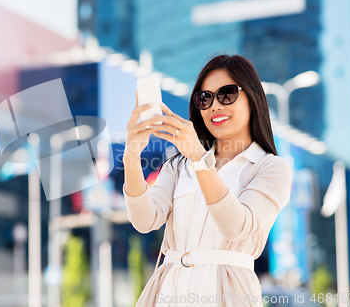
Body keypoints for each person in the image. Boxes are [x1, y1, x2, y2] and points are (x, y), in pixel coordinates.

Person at [122, 54, 292, 307]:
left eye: (227, 94)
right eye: (205, 98)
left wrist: (201, 160)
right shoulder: (179, 166)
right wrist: (131, 157)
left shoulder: (271, 168)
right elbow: (145, 220)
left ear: (252, 98)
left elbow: (237, 226)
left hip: (227, 294)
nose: (215, 106)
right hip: (169, 294)